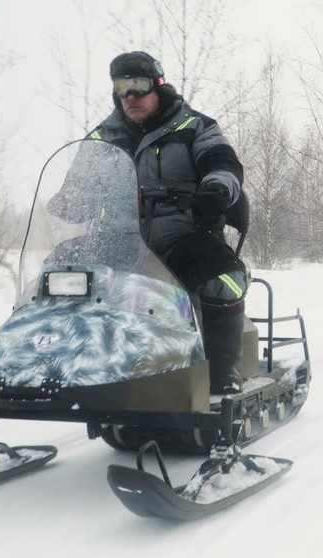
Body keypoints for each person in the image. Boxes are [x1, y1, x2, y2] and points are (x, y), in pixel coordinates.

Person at [86, 51, 247, 395]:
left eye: (138, 85)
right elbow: (80, 178)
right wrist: (70, 199)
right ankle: (65, 365)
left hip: (183, 237)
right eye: (122, 86)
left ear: (158, 85)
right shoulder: (102, 137)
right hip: (121, 239)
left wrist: (217, 190)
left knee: (225, 278)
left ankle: (222, 374)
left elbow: (222, 161)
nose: (130, 96)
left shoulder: (195, 126)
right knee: (60, 276)